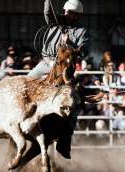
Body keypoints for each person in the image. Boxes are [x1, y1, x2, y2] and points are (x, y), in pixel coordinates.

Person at [27, 0, 90, 159]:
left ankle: (65, 141)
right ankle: (15, 119)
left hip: (65, 70)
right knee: (25, 85)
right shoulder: (55, 21)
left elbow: (83, 52)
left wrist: (70, 44)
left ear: (77, 16)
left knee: (74, 103)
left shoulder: (81, 31)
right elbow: (48, 13)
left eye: (72, 13)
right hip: (46, 63)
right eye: (67, 12)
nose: (68, 15)